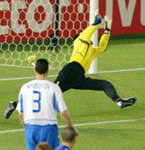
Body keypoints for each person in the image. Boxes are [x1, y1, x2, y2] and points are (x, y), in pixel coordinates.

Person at [5, 13, 137, 119]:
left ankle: (119, 101)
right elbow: (88, 31)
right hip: (71, 70)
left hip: (79, 77)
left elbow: (102, 47)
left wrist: (107, 29)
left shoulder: (91, 49)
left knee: (104, 84)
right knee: (48, 94)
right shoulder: (80, 41)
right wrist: (97, 21)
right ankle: (14, 104)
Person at [16, 58, 75, 150]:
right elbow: (63, 112)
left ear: (35, 70)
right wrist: (71, 127)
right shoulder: (54, 88)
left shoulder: (25, 87)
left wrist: (26, 128)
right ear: (48, 70)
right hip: (49, 128)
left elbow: (20, 114)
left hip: (31, 128)